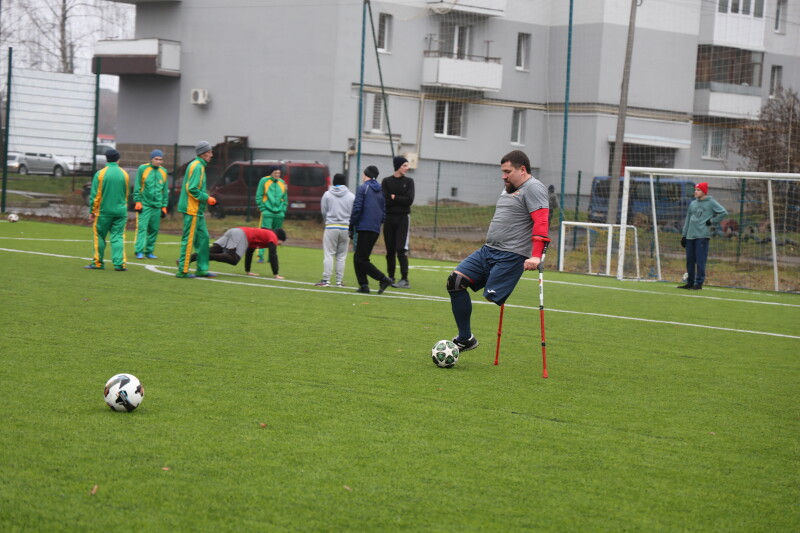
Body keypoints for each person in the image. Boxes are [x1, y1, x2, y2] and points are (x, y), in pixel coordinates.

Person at [446, 150, 550, 353]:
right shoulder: (509, 188)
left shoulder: (534, 188)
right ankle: (466, 339)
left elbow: (541, 222)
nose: (503, 176)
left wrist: (536, 255)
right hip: (488, 250)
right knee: (455, 282)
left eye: (507, 171)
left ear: (522, 169)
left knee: (491, 296)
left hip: (511, 255)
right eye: (502, 171)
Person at [349, 165, 396, 294]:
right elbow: (384, 210)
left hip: (365, 226)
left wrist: (351, 225)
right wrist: (378, 223)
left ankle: (383, 279)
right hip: (375, 228)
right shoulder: (381, 190)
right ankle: (364, 285)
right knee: (360, 257)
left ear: (366, 175)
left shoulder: (363, 188)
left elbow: (357, 207)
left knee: (360, 259)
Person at [176, 141, 217, 278]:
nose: (211, 155)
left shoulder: (199, 166)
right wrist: (207, 198)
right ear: (202, 153)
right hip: (191, 209)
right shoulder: (197, 166)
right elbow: (192, 189)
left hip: (197, 210)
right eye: (209, 152)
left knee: (203, 238)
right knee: (189, 240)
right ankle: (183, 270)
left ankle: (202, 269)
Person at [85, 149, 130, 271]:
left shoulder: (100, 174)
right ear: (118, 159)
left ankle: (98, 263)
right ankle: (119, 264)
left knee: (99, 236)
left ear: (106, 159)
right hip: (120, 211)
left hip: (103, 211)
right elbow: (126, 193)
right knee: (118, 237)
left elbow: (96, 195)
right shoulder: (124, 174)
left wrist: (92, 211)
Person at [678, 182, 728, 290]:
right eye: (695, 190)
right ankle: (690, 282)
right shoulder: (692, 203)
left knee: (700, 260)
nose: (695, 192)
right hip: (690, 236)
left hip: (702, 236)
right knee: (690, 260)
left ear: (704, 192)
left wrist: (712, 221)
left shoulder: (711, 202)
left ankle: (699, 283)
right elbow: (688, 219)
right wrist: (684, 235)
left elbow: (724, 212)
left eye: (698, 190)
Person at [189, 227, 287, 277]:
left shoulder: (263, 234)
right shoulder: (273, 236)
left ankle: (188, 259)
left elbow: (250, 252)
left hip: (234, 230)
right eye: (280, 243)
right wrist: (276, 274)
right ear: (280, 238)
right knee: (233, 259)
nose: (278, 244)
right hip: (241, 234)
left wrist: (248, 271)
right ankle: (209, 256)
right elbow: (273, 254)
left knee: (216, 249)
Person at [315, 173, 354, 287]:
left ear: (334, 181)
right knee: (341, 256)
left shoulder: (327, 194)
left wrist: (327, 221)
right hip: (345, 227)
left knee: (329, 254)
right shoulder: (351, 196)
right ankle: (339, 281)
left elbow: (323, 211)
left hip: (331, 226)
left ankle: (326, 280)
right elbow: (353, 213)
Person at [382, 155, 415, 288]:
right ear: (398, 166)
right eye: (404, 165)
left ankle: (404, 279)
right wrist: (397, 199)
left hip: (403, 218)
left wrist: (394, 197)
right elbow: (384, 200)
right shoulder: (386, 181)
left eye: (407, 165)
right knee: (390, 249)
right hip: (389, 218)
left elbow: (409, 200)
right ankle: (391, 277)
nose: (407, 168)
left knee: (401, 248)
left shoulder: (409, 181)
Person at [133, 149, 169, 259]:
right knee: (142, 228)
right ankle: (139, 251)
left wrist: (164, 205)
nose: (158, 161)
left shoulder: (164, 171)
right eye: (156, 159)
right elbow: (137, 186)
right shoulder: (143, 169)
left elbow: (165, 190)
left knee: (154, 230)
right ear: (151, 159)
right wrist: (137, 201)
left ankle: (149, 251)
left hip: (157, 206)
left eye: (160, 159)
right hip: (145, 205)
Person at [255, 169, 288, 264]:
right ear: (271, 173)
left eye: (278, 173)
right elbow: (259, 196)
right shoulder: (264, 181)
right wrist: (263, 209)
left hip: (279, 214)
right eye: (275, 173)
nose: (277, 175)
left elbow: (285, 198)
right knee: (263, 234)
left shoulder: (282, 182)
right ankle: (260, 256)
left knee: (275, 235)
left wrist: (283, 210)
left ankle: (271, 256)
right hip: (267, 212)